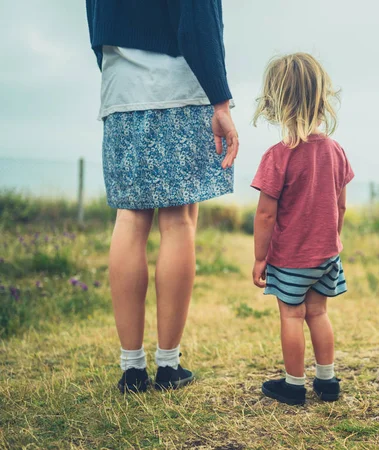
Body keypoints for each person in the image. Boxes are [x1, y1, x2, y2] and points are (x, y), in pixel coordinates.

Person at [86, 0, 239, 393]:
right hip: (180, 87)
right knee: (179, 220)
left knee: (130, 218)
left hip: (120, 87)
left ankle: (132, 369)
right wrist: (220, 101)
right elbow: (198, 17)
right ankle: (168, 366)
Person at [251, 53, 354, 405]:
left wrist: (260, 258)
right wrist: (333, 239)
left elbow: (265, 215)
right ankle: (327, 382)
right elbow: (340, 204)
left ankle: (293, 385)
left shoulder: (278, 156)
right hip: (327, 255)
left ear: (277, 102)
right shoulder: (336, 151)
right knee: (319, 313)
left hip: (291, 258)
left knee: (292, 315)